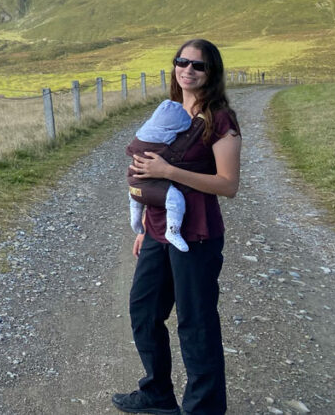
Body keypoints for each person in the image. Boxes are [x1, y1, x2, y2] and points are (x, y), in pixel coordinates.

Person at [112, 39, 241, 415]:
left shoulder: (221, 119)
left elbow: (228, 184)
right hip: (157, 229)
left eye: (198, 65)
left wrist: (169, 171)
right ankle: (157, 394)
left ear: (211, 72)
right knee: (144, 310)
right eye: (181, 61)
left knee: (195, 322)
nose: (188, 69)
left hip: (196, 234)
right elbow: (150, 177)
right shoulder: (171, 109)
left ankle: (204, 408)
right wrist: (143, 229)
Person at [126, 99, 194, 252]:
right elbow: (173, 159)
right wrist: (167, 170)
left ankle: (136, 220)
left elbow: (129, 150)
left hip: (133, 184)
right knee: (175, 200)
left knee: (136, 199)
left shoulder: (141, 137)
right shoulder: (164, 144)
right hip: (152, 187)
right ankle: (173, 231)